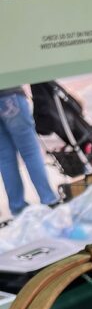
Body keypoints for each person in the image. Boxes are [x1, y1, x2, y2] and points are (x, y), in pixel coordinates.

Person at [0, 86, 59, 216]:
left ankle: (17, 206)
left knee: (5, 158)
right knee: (30, 151)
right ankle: (48, 198)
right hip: (10, 95)